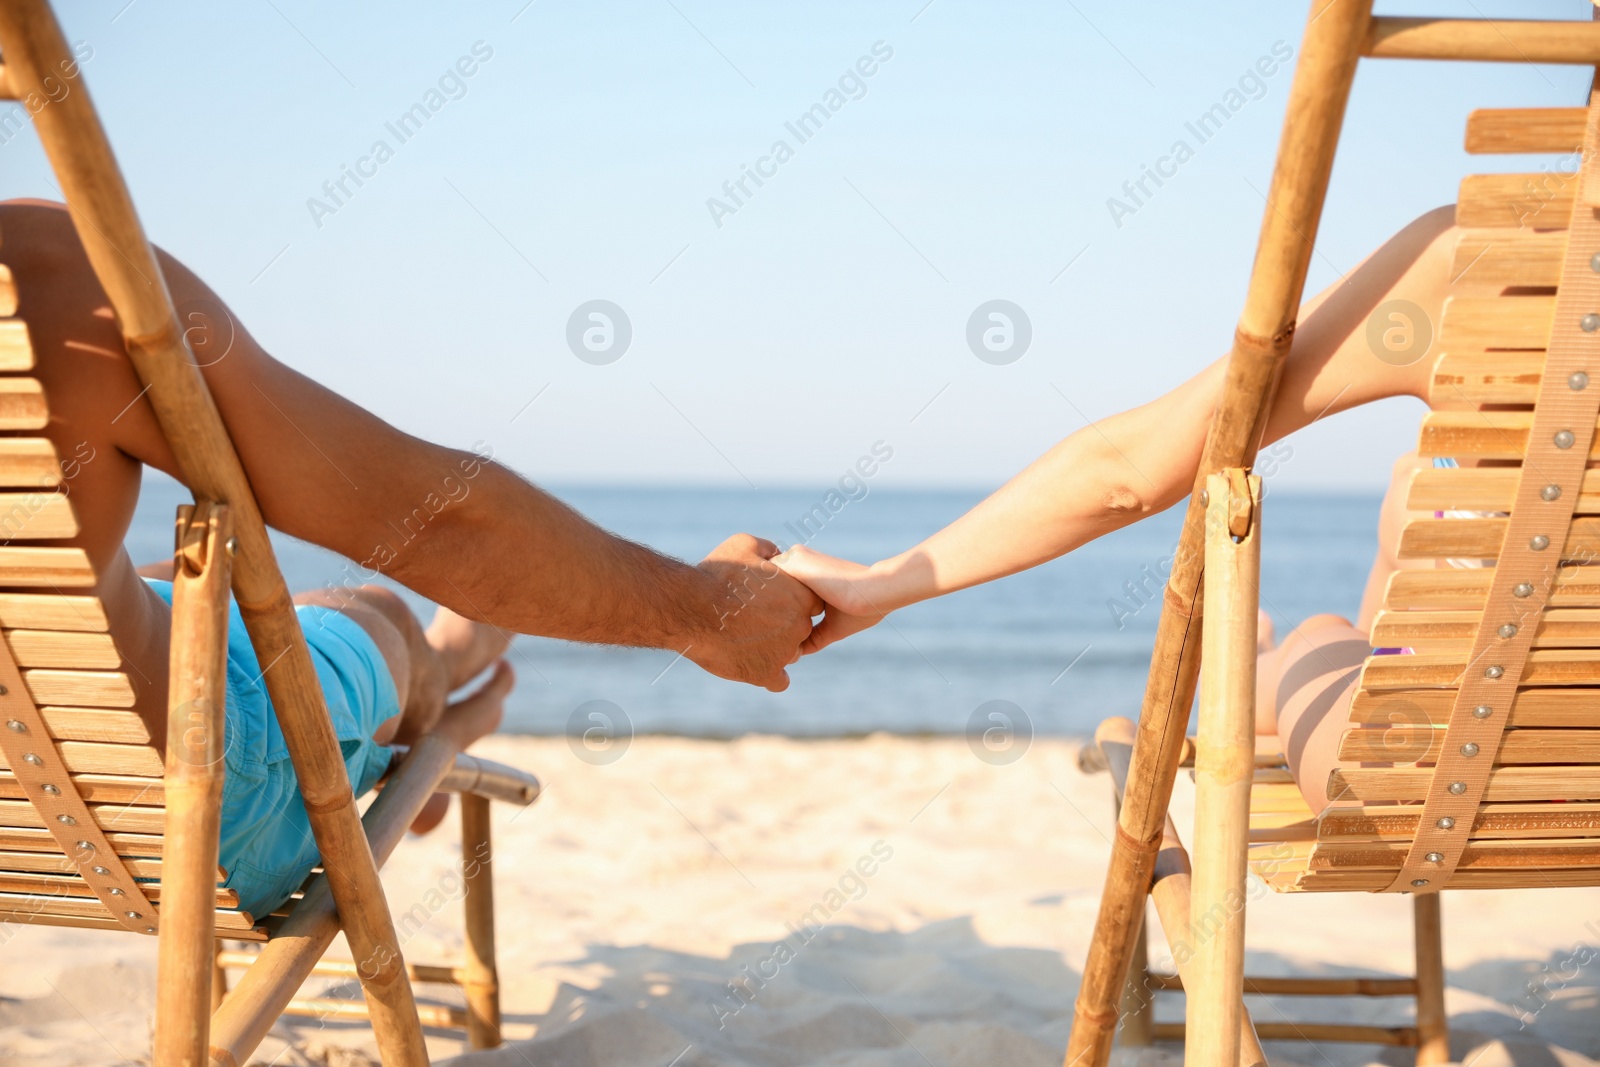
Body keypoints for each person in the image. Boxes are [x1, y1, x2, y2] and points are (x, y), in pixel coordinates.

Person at [1, 198, 821, 917]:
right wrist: (702, 609)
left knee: (126, 584)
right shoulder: (53, 282)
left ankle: (428, 696)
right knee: (371, 610)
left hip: (18, 839)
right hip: (180, 823)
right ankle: (441, 680)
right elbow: (436, 526)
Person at [777, 204, 1470, 813]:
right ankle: (1288, 654)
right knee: (1415, 484)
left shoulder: (1462, 264)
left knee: (1319, 634)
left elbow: (1127, 476)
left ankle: (1266, 659)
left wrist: (883, 583)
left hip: (1428, 773)